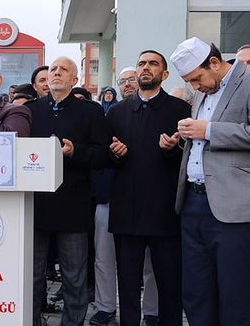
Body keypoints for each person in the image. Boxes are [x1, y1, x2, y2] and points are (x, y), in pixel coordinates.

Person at [107, 50, 190, 326]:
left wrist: (172, 149)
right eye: (142, 63)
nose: (145, 68)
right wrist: (115, 154)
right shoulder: (117, 112)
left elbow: (190, 160)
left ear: (164, 75)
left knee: (169, 285)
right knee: (128, 286)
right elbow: (105, 157)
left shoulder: (180, 111)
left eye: (153, 64)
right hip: (126, 213)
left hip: (164, 213)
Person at [171, 37, 250, 326]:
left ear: (214, 64)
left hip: (233, 209)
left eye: (197, 78)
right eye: (190, 82)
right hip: (192, 203)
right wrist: (180, 141)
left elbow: (212, 132)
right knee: (196, 292)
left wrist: (209, 130)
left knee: (235, 292)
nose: (195, 87)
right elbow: (202, 144)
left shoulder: (248, 81)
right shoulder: (205, 91)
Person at [26, 56, 110, 326]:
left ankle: (72, 323)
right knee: (32, 275)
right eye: (53, 69)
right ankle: (31, 320)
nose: (56, 73)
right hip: (35, 206)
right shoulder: (30, 111)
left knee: (74, 277)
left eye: (64, 70)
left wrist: (76, 153)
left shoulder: (91, 112)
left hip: (73, 205)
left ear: (75, 80)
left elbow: (102, 156)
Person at [91, 66, 160, 326]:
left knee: (150, 262)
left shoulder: (157, 112)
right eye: (123, 81)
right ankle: (105, 306)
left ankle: (152, 311)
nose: (128, 84)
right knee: (104, 257)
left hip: (149, 200)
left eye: (132, 79)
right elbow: (98, 153)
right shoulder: (111, 115)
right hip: (110, 196)